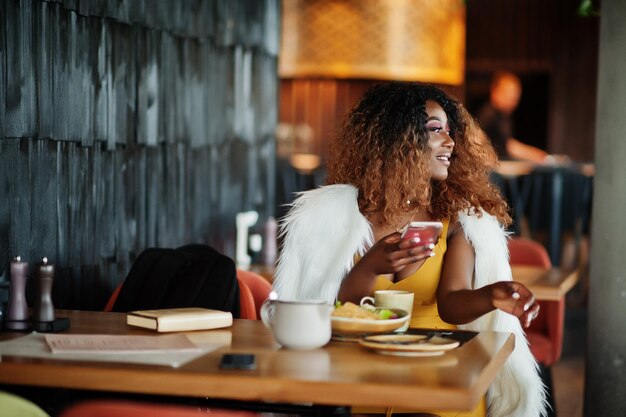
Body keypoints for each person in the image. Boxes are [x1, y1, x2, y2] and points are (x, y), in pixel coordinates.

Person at [272, 82, 547, 417]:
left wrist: (491, 295)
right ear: (396, 140)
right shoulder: (339, 219)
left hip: (441, 376)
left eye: (450, 130)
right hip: (362, 379)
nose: (450, 141)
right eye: (435, 130)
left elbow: (451, 303)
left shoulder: (459, 218)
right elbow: (331, 312)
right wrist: (369, 269)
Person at [477, 71, 549, 163]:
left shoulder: (503, 116)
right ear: (495, 91)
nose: (513, 102)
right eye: (509, 96)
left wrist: (537, 155)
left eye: (515, 98)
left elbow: (507, 144)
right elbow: (477, 141)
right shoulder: (488, 115)